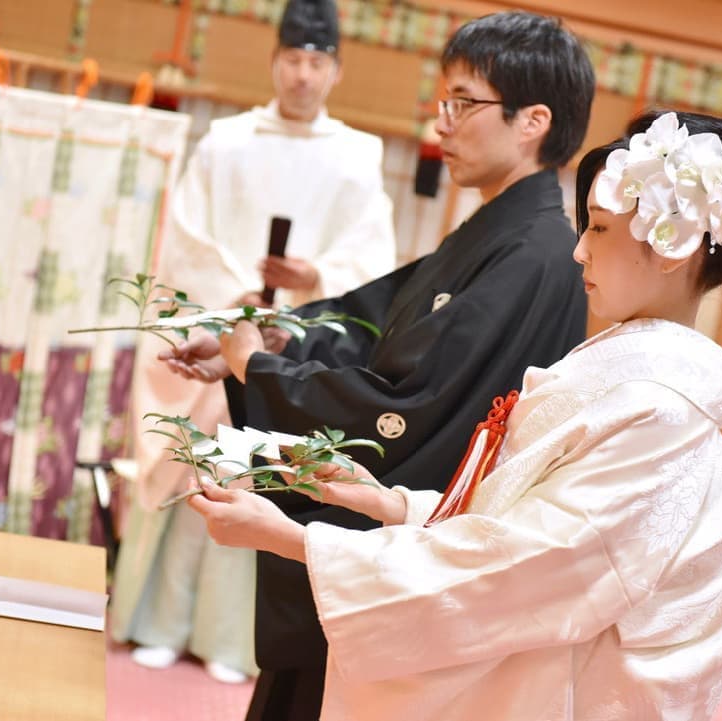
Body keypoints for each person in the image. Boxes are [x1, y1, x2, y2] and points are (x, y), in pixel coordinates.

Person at [186, 110, 722, 720]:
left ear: (671, 246)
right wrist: (389, 503)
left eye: (597, 228)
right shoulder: (629, 377)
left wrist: (293, 540)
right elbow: (521, 522)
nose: (579, 252)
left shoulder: (660, 410)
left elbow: (529, 570)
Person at [165, 11, 595, 718]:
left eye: (463, 102)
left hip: (405, 561)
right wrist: (268, 340)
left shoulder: (532, 253)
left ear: (531, 121)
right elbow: (373, 323)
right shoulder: (502, 234)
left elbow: (409, 404)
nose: (442, 124)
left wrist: (260, 371)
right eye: (442, 102)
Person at [108, 0, 396, 682]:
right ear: (274, 62)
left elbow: (371, 258)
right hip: (221, 326)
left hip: (296, 341)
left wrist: (314, 277)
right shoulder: (226, 142)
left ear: (335, 71)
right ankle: (161, 622)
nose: (302, 74)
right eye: (292, 59)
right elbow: (186, 236)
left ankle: (233, 639)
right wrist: (238, 296)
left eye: (317, 62)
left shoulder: (359, 156)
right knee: (197, 470)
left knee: (261, 480)